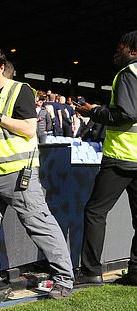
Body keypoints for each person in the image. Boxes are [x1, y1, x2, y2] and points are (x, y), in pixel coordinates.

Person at [0, 46, 74, 299]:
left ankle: (64, 280)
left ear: (1, 68)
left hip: (18, 175)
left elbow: (28, 129)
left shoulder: (21, 90)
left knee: (40, 226)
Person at [76, 31, 137, 286]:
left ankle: (90, 272)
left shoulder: (127, 74)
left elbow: (127, 114)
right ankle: (135, 273)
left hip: (121, 156)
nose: (116, 51)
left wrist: (95, 112)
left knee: (95, 211)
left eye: (120, 47)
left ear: (132, 51)